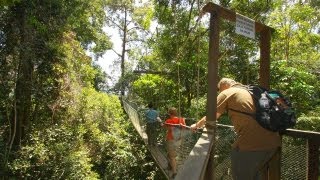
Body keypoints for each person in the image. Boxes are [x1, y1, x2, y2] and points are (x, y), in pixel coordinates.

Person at [191, 77, 281, 180]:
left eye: (219, 90)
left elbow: (211, 116)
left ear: (223, 85)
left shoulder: (227, 92)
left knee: (239, 168)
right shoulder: (250, 91)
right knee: (254, 173)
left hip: (252, 144)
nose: (219, 92)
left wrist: (196, 125)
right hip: (273, 142)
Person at [163, 107, 186, 177]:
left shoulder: (168, 121)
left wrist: (162, 123)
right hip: (179, 140)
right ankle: (170, 166)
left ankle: (174, 172)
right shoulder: (181, 120)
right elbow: (184, 128)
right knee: (171, 154)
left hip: (171, 140)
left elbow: (165, 127)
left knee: (172, 157)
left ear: (169, 113)